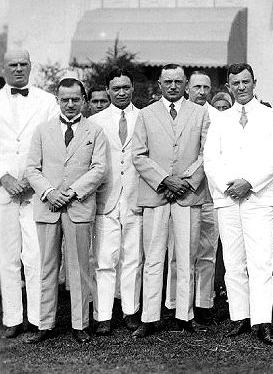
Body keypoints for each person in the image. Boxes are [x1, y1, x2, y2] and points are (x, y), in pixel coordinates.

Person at [204, 63, 273, 345]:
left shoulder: (271, 117)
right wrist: (230, 185)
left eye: (245, 82)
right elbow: (210, 160)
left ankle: (262, 320)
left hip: (258, 197)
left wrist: (249, 182)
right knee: (234, 261)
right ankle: (240, 316)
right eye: (235, 83)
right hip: (228, 199)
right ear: (228, 86)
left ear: (254, 82)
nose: (241, 87)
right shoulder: (220, 120)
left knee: (261, 261)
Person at [24, 78, 108, 343]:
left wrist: (71, 192)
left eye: (75, 99)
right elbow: (31, 169)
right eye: (64, 100)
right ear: (57, 100)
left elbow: (99, 169)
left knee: (80, 267)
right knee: (47, 266)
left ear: (83, 100)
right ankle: (45, 324)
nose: (70, 104)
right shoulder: (42, 130)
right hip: (48, 207)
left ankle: (80, 325)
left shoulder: (94, 131)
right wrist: (50, 192)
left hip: (78, 207)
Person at [132, 65, 211, 338]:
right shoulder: (145, 114)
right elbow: (139, 155)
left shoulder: (201, 113)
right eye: (168, 81)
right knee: (153, 257)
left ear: (186, 84)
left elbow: (206, 153)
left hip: (188, 195)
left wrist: (186, 182)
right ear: (159, 83)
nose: (174, 86)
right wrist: (165, 180)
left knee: (186, 257)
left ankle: (184, 315)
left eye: (178, 81)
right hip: (156, 194)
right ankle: (150, 317)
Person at [0, 49, 58, 339]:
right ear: (4, 67)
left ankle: (38, 318)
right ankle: (12, 317)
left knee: (36, 256)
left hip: (35, 192)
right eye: (13, 64)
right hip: (3, 191)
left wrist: (30, 179)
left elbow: (52, 144)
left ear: (31, 66)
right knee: (7, 256)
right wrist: (4, 176)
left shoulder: (48, 102)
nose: (19, 69)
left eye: (24, 64)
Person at [88, 69, 142, 334]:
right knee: (104, 259)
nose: (121, 92)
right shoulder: (95, 121)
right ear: (107, 90)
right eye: (116, 88)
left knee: (132, 258)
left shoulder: (144, 118)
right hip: (105, 198)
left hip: (135, 197)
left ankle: (131, 311)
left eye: (126, 87)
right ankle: (103, 316)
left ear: (133, 89)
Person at [169, 70, 220, 323]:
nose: (201, 92)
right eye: (197, 87)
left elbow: (211, 154)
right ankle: (177, 303)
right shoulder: (179, 114)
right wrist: (183, 184)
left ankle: (203, 303)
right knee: (180, 252)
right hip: (182, 194)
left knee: (207, 251)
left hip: (211, 195)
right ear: (188, 88)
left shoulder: (219, 117)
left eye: (206, 88)